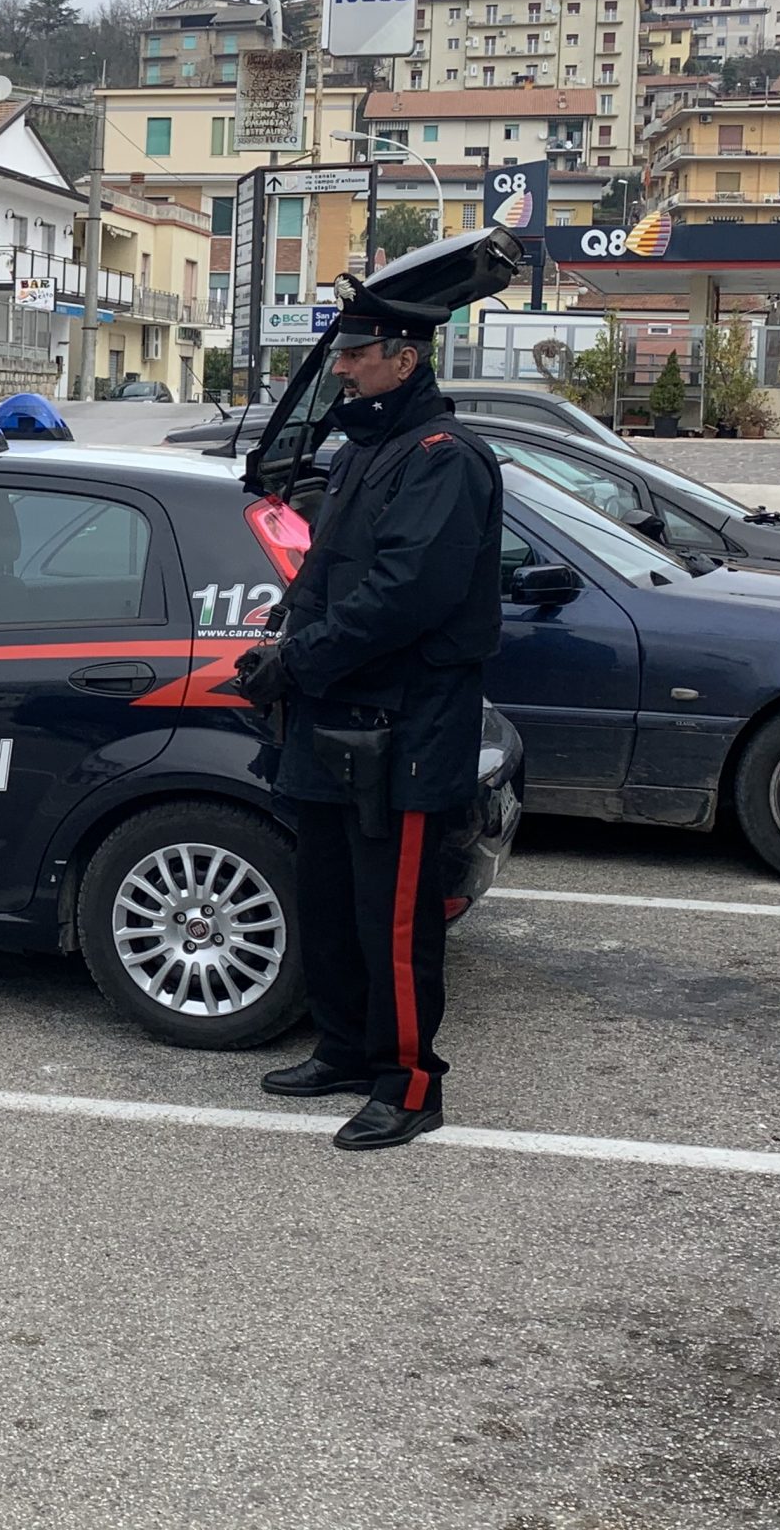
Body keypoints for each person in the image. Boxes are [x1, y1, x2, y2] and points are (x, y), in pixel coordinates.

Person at [226, 284, 503, 1151]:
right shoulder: (363, 453)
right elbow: (325, 571)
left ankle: (409, 1084)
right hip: (334, 721)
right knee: (332, 900)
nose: (340, 369)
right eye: (339, 355)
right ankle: (345, 1049)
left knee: (394, 919)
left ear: (404, 359)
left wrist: (299, 660)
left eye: (355, 354)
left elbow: (405, 596)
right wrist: (279, 637)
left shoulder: (442, 456)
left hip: (406, 728)